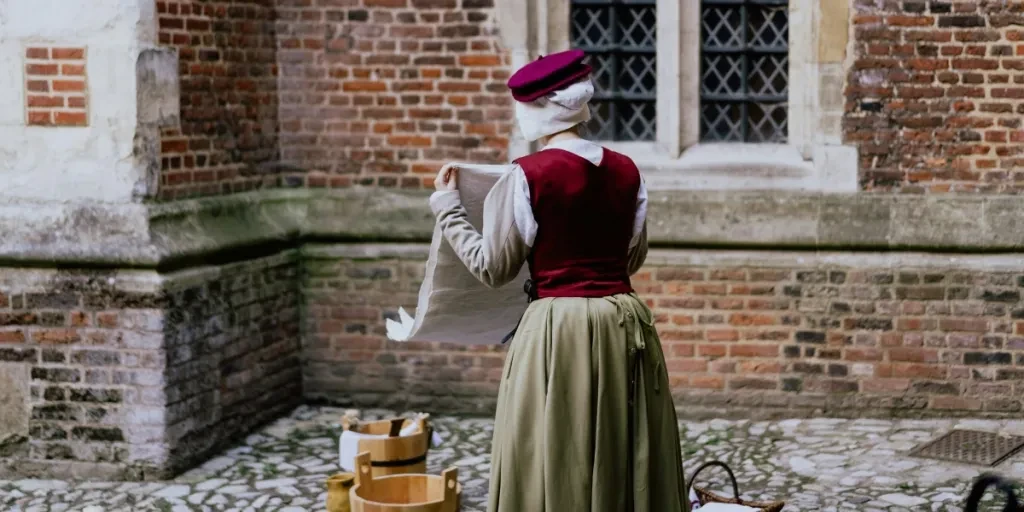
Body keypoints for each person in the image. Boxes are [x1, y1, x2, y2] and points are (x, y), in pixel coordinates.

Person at [428, 49, 687, 512]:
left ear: (538, 109)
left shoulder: (526, 176)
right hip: (624, 323)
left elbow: (493, 267)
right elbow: (633, 255)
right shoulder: (627, 170)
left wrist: (448, 207)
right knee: (621, 443)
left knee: (555, 447)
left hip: (555, 331)